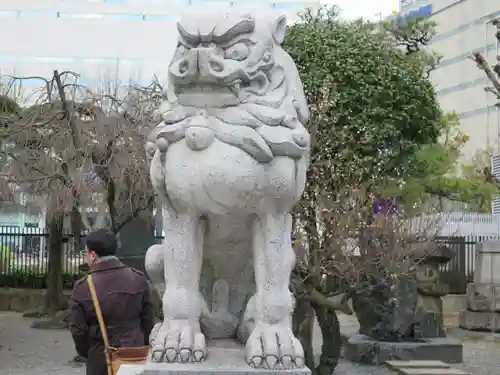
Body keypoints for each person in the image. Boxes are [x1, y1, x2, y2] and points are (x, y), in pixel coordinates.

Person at [69, 229, 155, 375]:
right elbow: (148, 321)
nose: (85, 258)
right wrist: (142, 344)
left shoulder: (83, 288)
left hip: (101, 359)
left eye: (85, 253)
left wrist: (89, 352)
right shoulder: (138, 279)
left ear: (93, 255)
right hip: (135, 356)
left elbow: (78, 331)